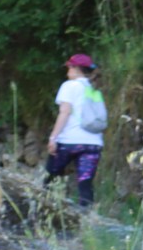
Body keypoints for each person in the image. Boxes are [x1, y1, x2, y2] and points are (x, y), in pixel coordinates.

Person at [44, 53, 106, 209]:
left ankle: (45, 213)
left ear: (76, 68)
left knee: (50, 178)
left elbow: (64, 112)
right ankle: (87, 223)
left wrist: (53, 138)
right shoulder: (94, 89)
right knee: (85, 184)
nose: (67, 71)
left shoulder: (69, 86)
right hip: (93, 144)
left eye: (69, 67)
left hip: (69, 142)